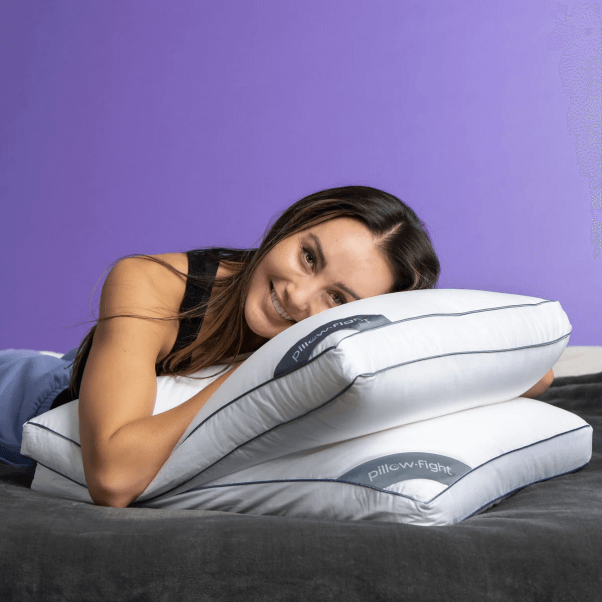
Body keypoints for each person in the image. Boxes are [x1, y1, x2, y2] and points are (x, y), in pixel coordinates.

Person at [0, 185, 549, 506]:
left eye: (338, 299)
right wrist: (259, 375)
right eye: (309, 256)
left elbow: (539, 374)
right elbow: (114, 478)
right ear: (290, 226)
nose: (298, 294)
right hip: (29, 391)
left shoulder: (354, 341)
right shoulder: (152, 281)